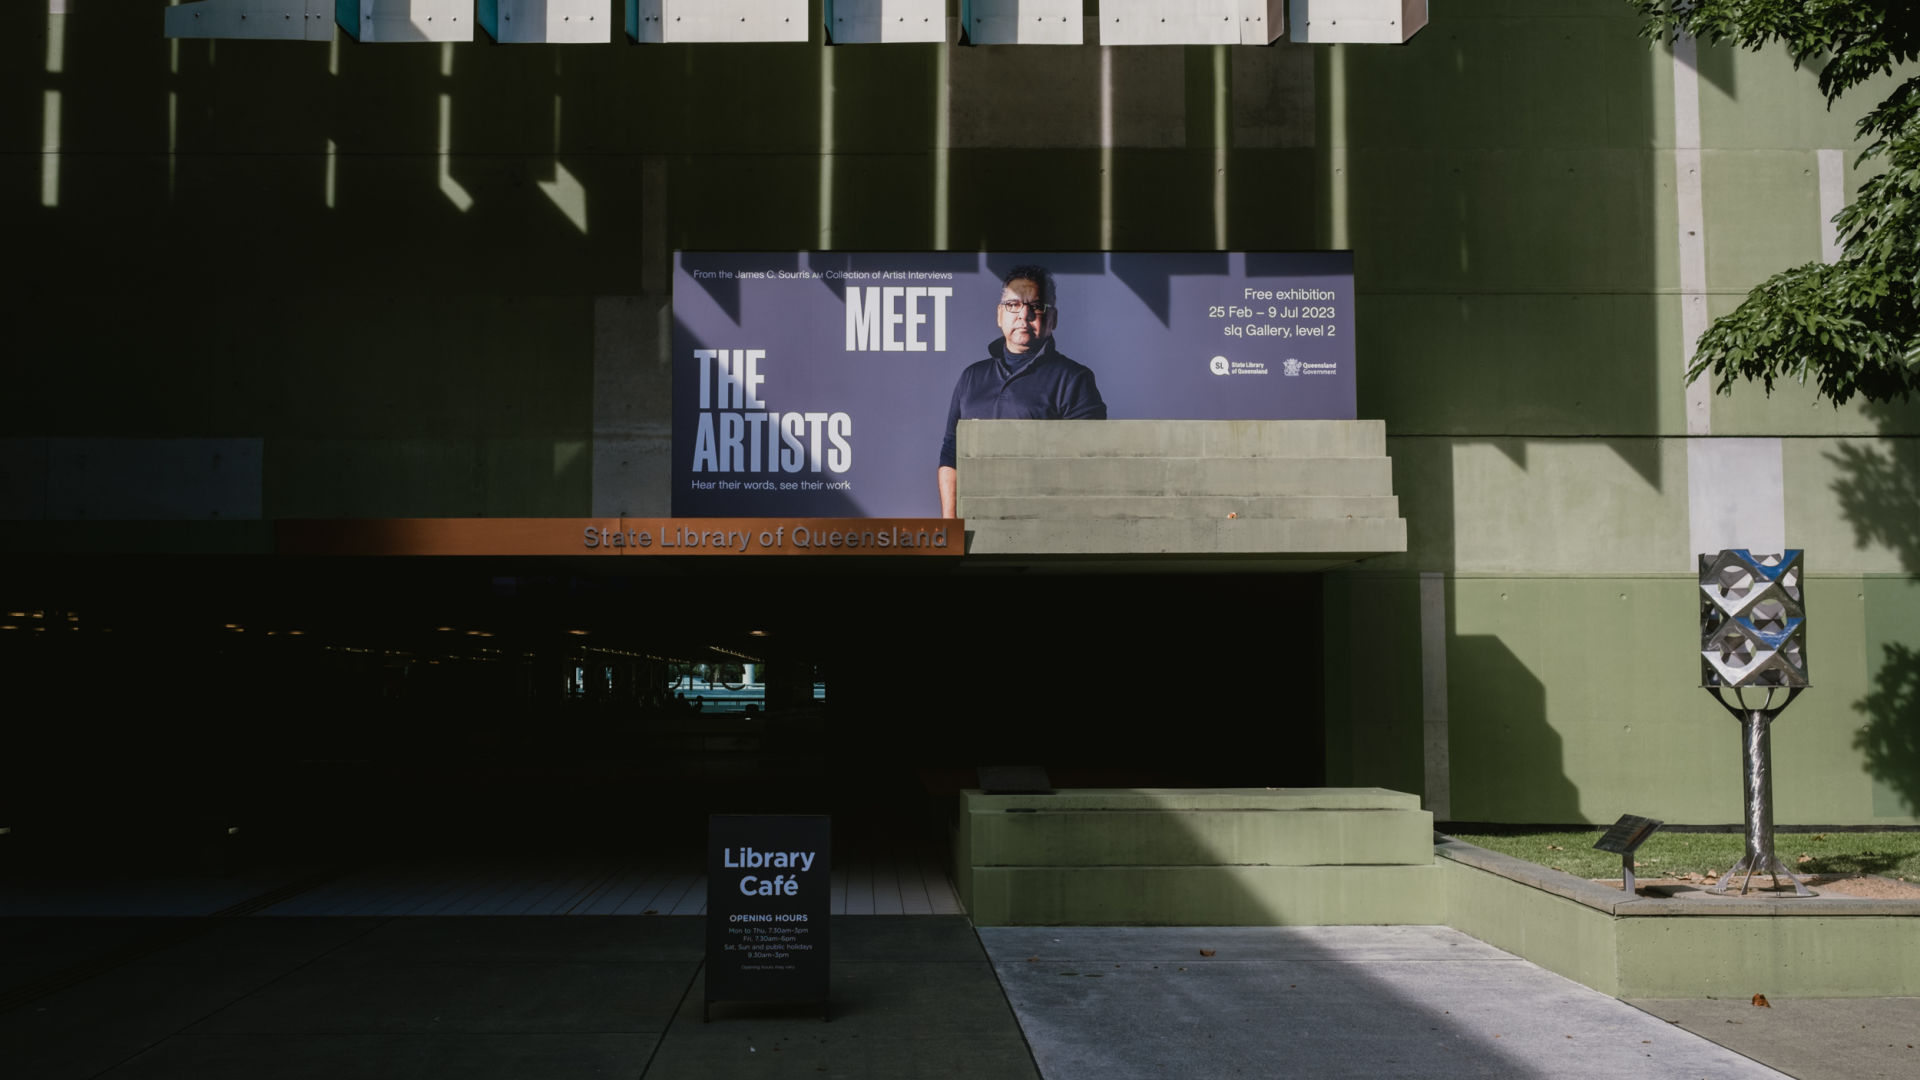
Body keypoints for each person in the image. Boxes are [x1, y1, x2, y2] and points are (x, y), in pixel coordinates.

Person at [937, 264, 1106, 518]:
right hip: (973, 529)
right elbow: (951, 453)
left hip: (1040, 533)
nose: (1023, 315)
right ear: (999, 314)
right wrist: (950, 526)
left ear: (1053, 318)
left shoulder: (1074, 379)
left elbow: (1085, 469)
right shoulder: (972, 377)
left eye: (1036, 307)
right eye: (1013, 305)